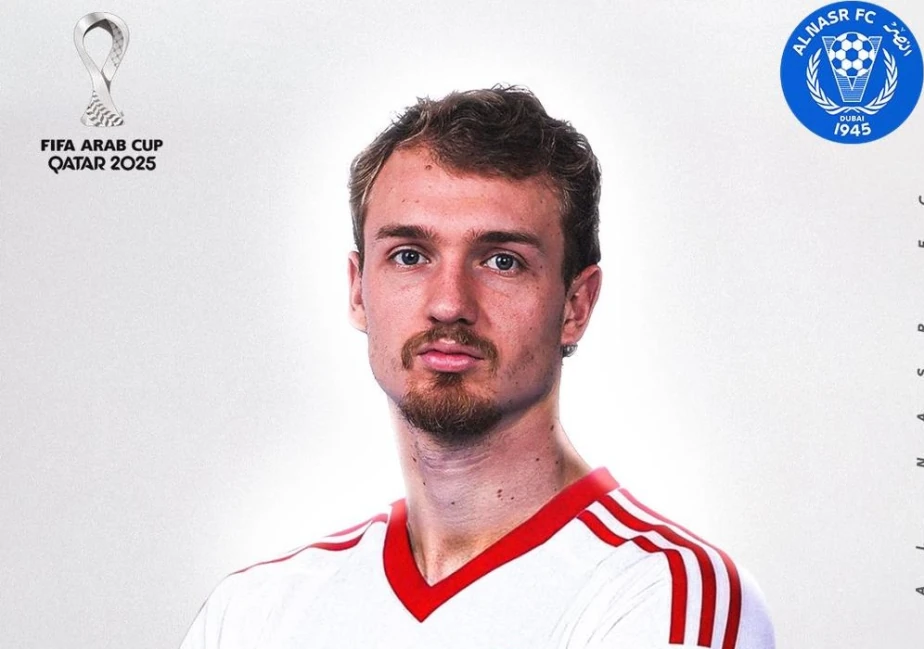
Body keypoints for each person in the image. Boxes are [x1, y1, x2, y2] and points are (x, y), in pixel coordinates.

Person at [179, 85, 776, 649]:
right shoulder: (255, 611)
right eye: (409, 256)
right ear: (359, 292)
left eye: (501, 261)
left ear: (575, 305)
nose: (449, 303)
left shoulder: (664, 592)